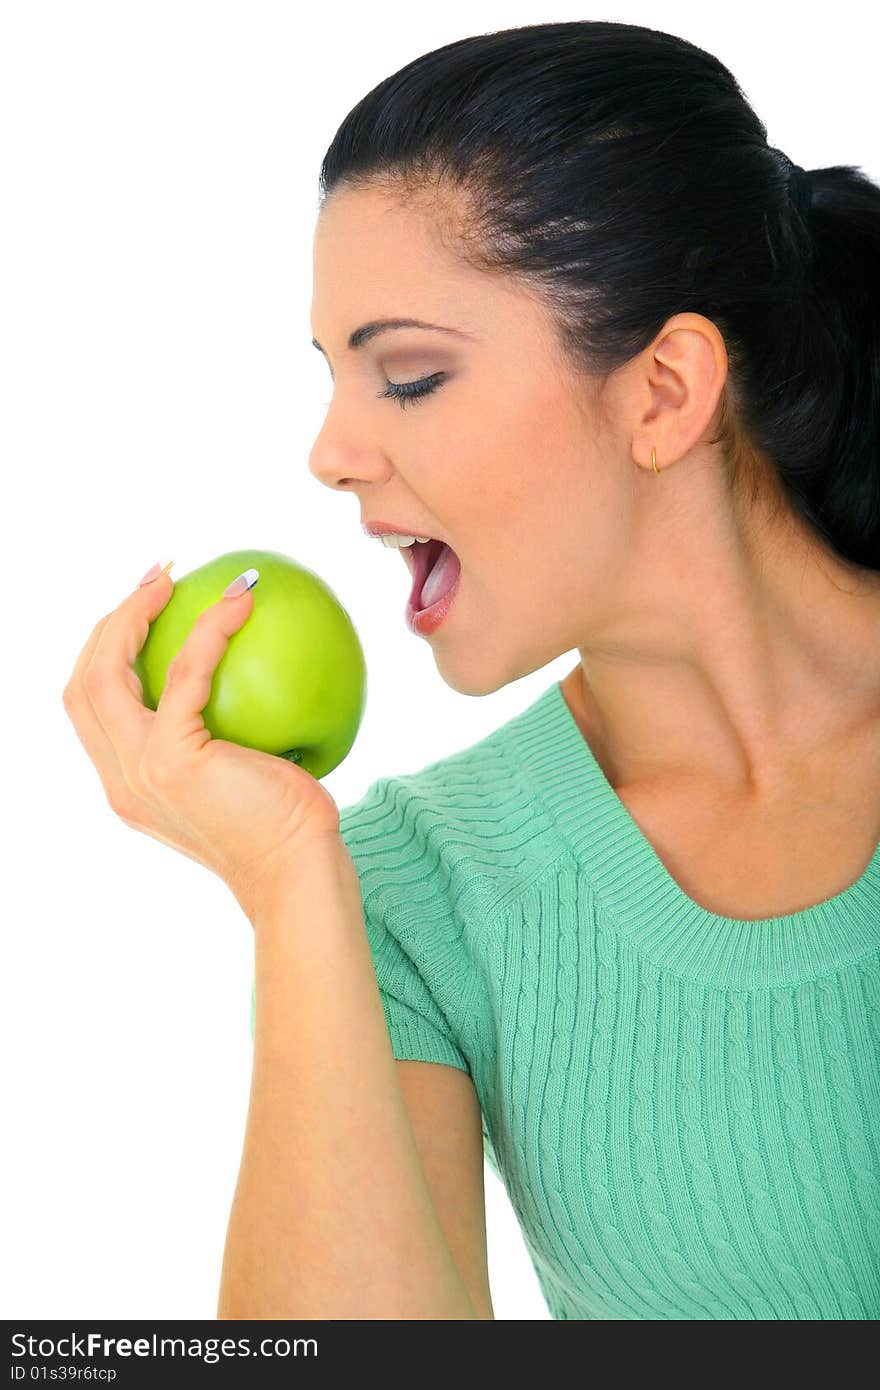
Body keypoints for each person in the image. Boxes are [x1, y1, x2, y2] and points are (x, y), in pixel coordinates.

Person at [65, 20, 880, 1319]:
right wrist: (290, 884)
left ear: (664, 390)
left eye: (409, 375)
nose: (328, 454)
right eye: (333, 377)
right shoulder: (408, 890)